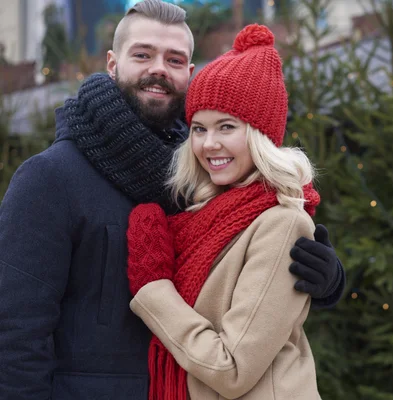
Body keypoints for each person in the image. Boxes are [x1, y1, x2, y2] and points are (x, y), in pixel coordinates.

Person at [0, 1, 344, 399]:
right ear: (113, 64)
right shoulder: (51, 178)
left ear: (189, 74)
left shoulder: (204, 182)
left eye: (174, 59)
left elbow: (244, 297)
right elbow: (14, 332)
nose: (158, 69)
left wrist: (323, 280)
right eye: (143, 54)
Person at [126, 23, 322, 399]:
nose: (209, 143)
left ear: (260, 135)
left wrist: (153, 287)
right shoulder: (201, 216)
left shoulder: (280, 222)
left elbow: (231, 369)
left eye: (227, 127)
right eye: (199, 128)